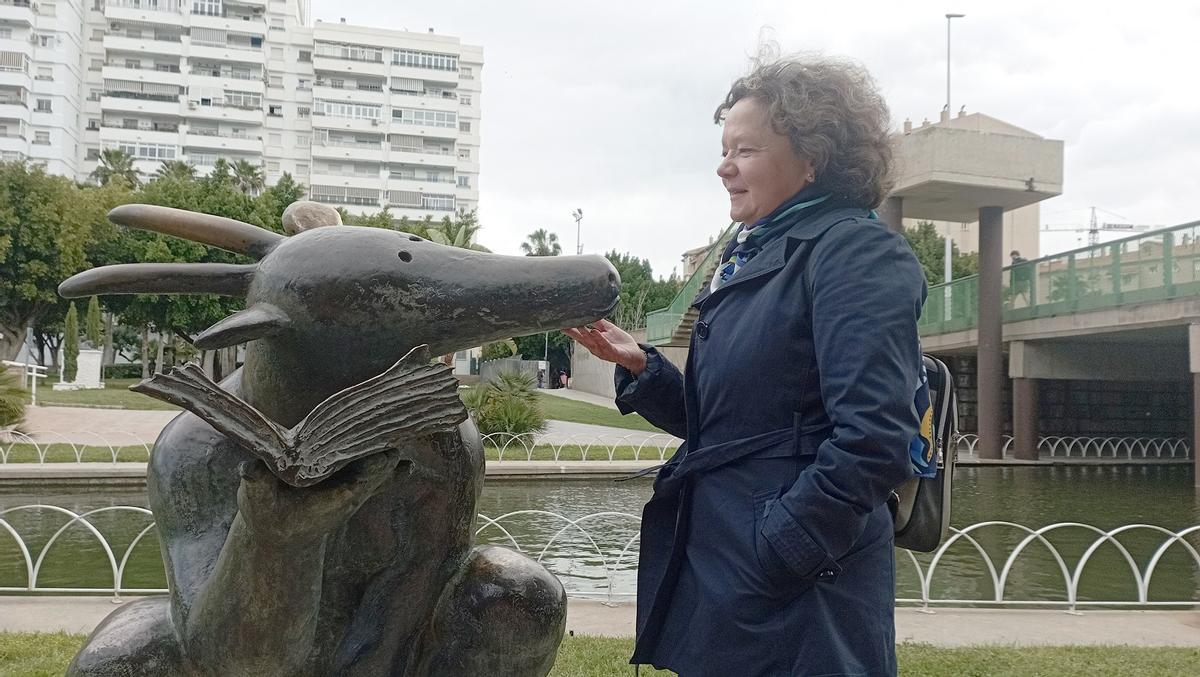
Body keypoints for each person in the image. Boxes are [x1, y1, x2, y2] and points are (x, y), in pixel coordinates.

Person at [566, 54, 926, 676]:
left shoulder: (853, 251)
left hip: (798, 587)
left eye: (747, 150)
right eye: (725, 147)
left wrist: (785, 544)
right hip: (734, 569)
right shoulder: (760, 253)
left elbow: (875, 438)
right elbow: (734, 426)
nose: (724, 166)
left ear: (814, 159)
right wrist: (645, 369)